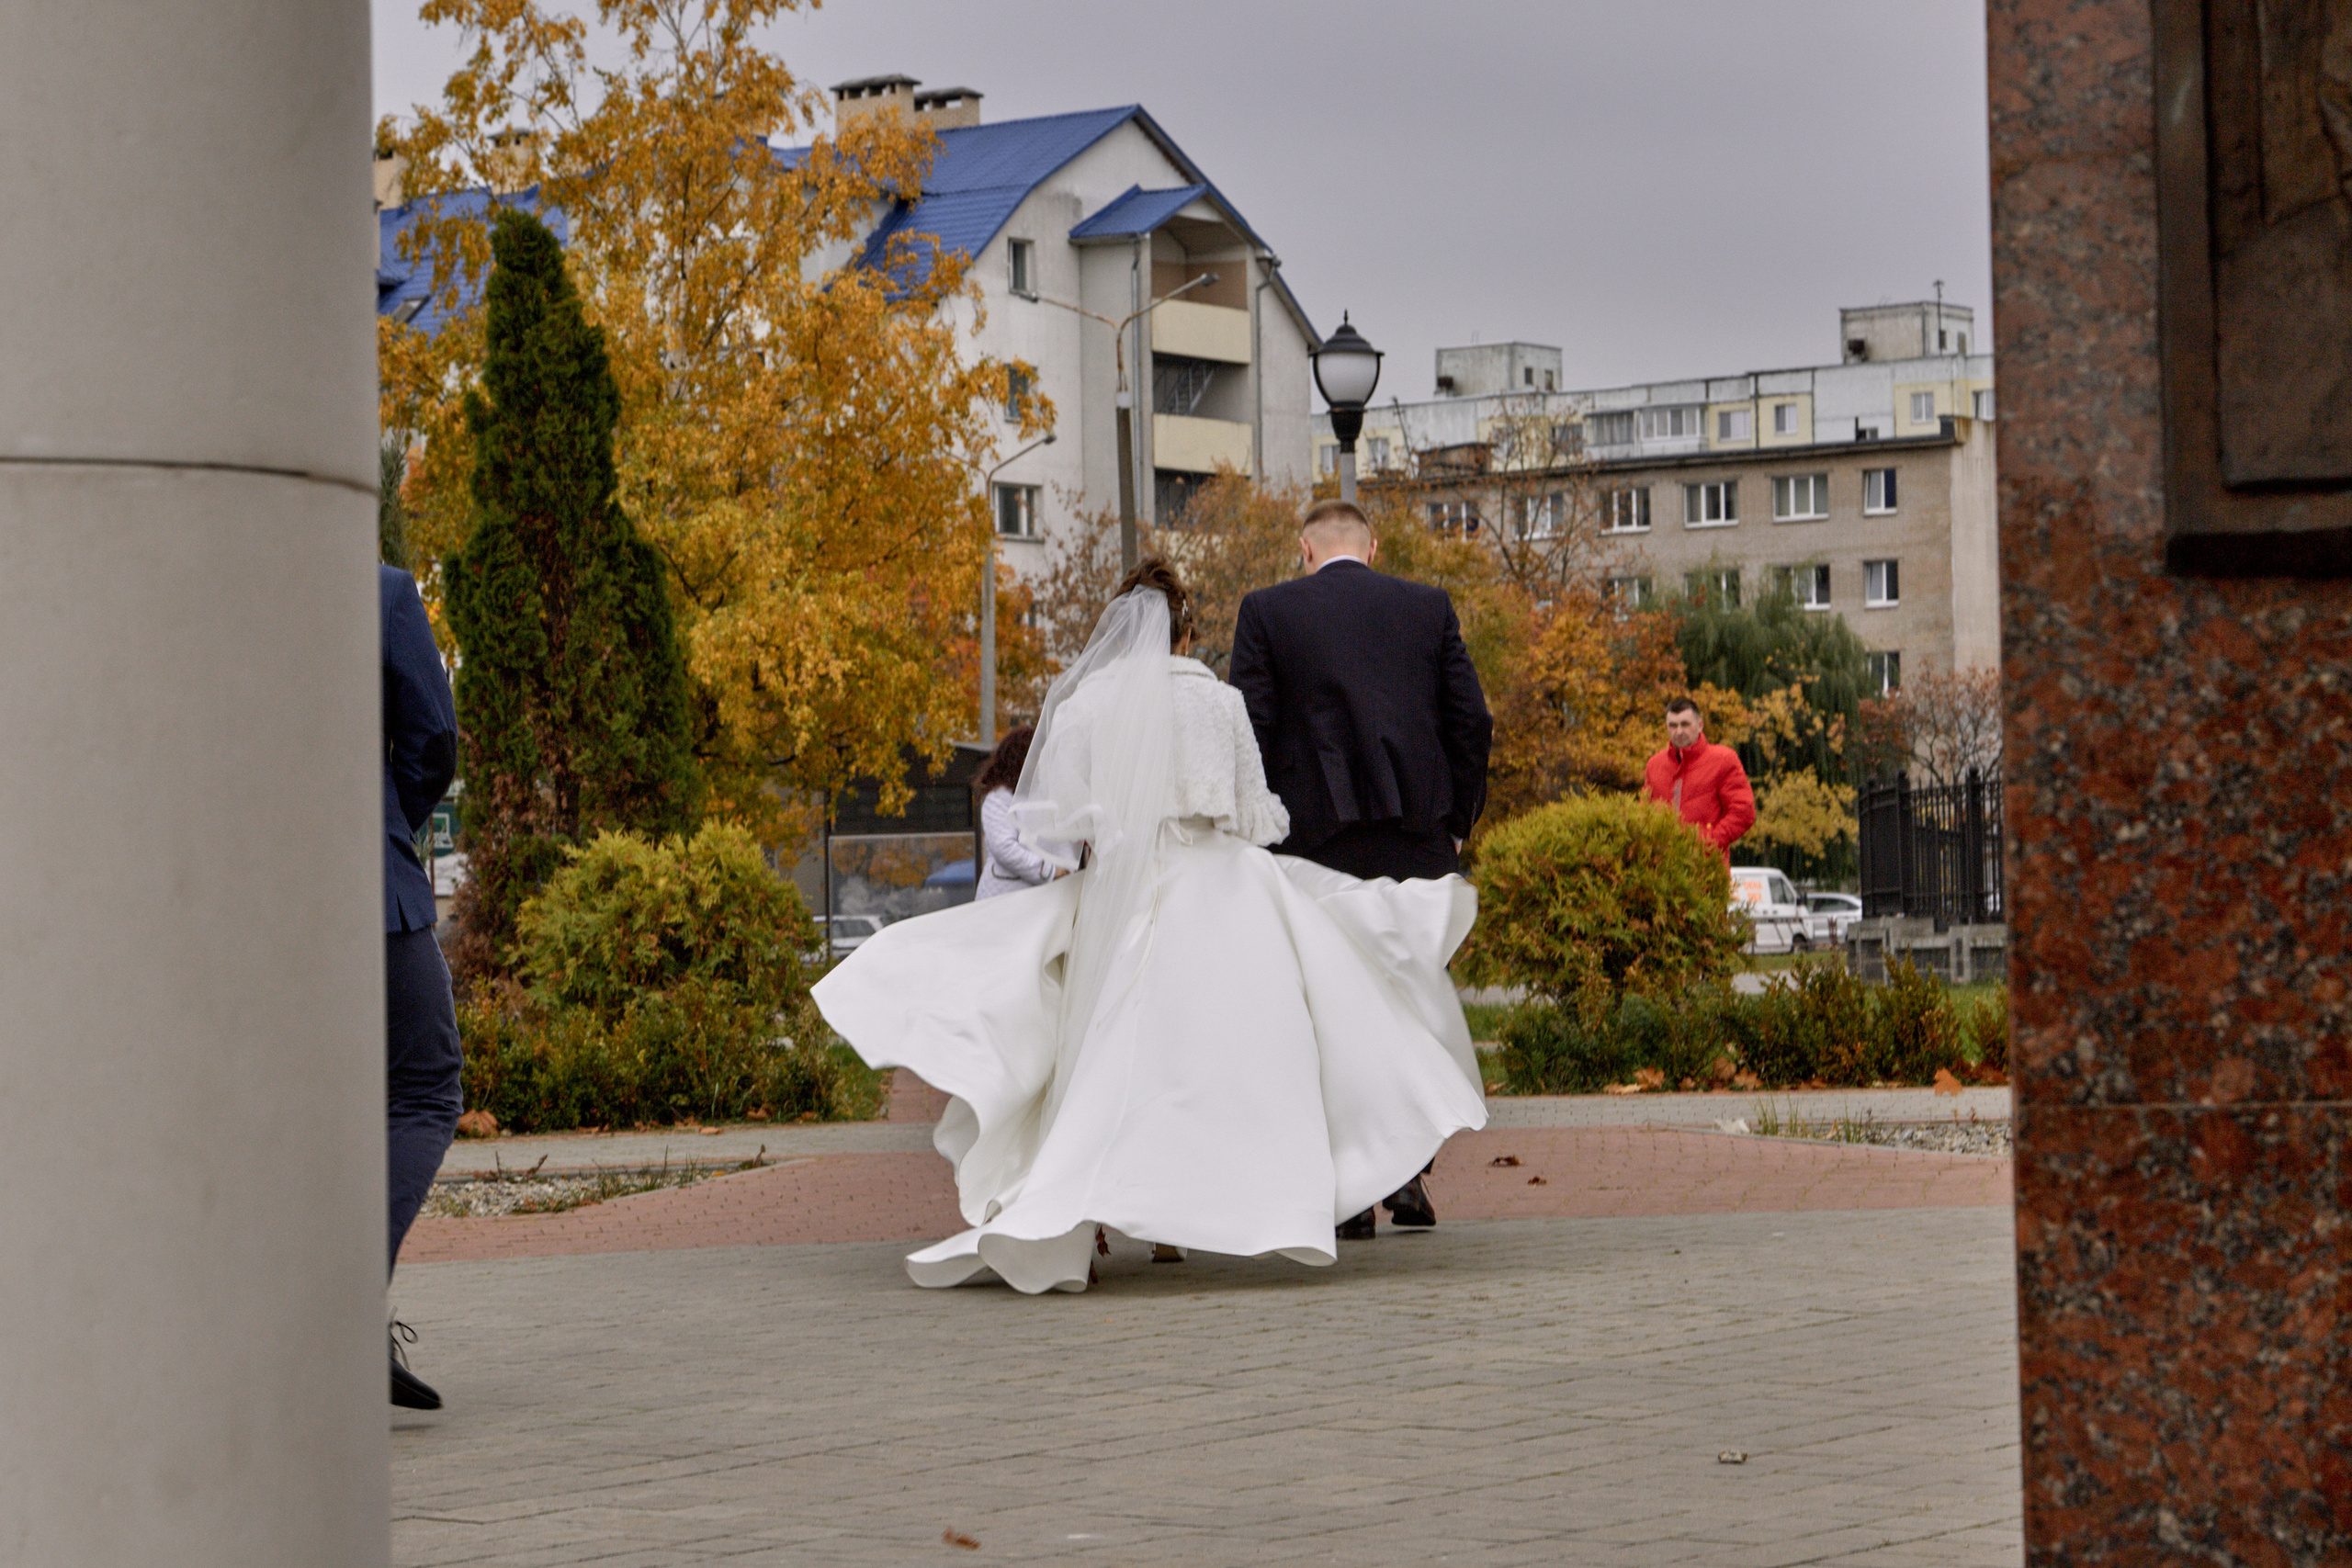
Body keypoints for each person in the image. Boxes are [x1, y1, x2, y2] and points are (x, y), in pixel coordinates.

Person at [812, 558, 1487, 1294]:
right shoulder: (1218, 701)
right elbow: (1253, 812)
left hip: (1122, 890)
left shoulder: (1087, 705)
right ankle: (1225, 1209)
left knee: (1107, 1049)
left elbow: (1058, 822)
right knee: (1237, 1055)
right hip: (1218, 887)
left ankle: (1110, 1203)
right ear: (1187, 631)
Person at [1227, 499, 1493, 1238]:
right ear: (1372, 547)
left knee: (1327, 1014)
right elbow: (1471, 721)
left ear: (1303, 550)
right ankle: (1406, 1174)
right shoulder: (1427, 607)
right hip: (1416, 842)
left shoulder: (1267, 611)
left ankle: (1350, 1190)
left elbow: (1249, 727)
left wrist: (1256, 832)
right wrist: (1457, 819)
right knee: (1409, 999)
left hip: (1312, 845)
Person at [380, 564, 462, 1409]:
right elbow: (433, 737)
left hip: (247, 901)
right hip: (371, 895)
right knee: (426, 1084)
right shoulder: (380, 590)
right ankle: (342, 1299)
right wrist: (388, 820)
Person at [1643, 696, 1755, 863]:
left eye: (1685, 724)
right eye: (1672, 725)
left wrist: (1707, 843)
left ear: (1700, 724)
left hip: (1707, 871)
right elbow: (1644, 814)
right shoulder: (1654, 765)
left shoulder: (1723, 760)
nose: (1679, 731)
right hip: (1662, 873)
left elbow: (1743, 812)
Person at [972, 726, 1057, 899]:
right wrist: (1048, 871)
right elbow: (1004, 848)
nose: (1043, 761)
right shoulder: (998, 797)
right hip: (1004, 900)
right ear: (1020, 759)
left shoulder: (1042, 795)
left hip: (1038, 900)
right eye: (1036, 755)